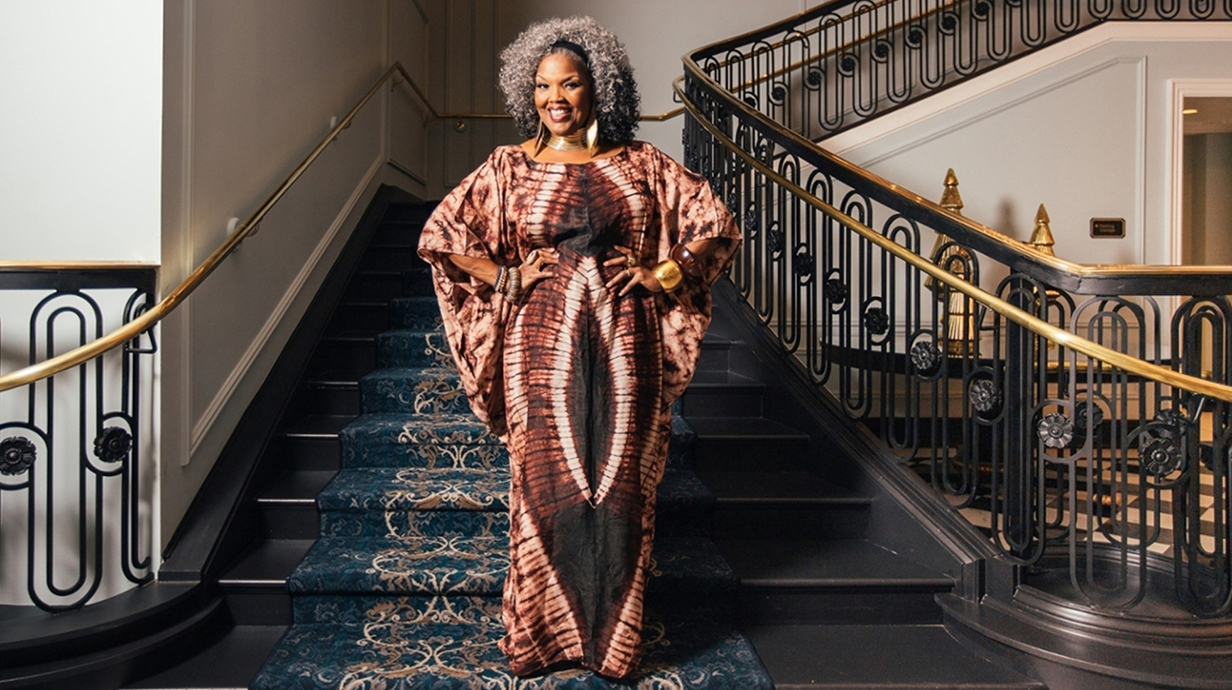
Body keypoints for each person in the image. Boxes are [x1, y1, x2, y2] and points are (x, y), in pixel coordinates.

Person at [417, 16, 739, 680]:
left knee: (621, 498)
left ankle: (613, 647)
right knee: (544, 493)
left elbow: (714, 221)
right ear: (526, 92)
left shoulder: (641, 163)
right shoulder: (509, 167)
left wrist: (664, 273)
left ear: (600, 87)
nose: (554, 97)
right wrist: (504, 275)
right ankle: (542, 641)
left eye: (569, 83)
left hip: (627, 346)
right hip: (537, 350)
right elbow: (442, 235)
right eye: (541, 85)